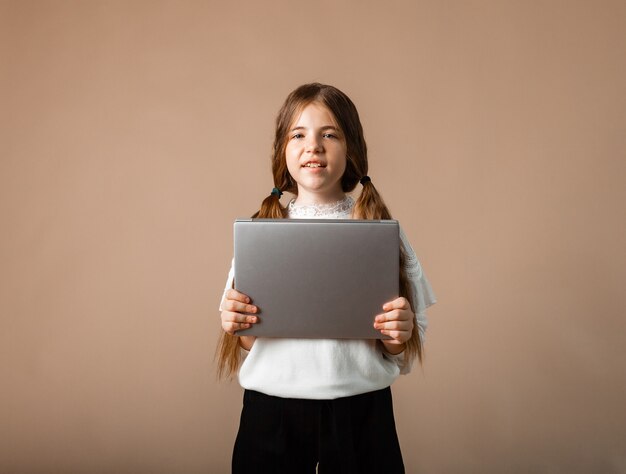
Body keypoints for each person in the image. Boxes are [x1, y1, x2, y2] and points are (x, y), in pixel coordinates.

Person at [217, 83, 436, 473]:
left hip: (361, 412)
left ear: (351, 149)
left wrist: (398, 334)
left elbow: (401, 344)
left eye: (329, 134)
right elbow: (249, 339)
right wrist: (236, 321)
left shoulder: (378, 230)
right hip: (272, 412)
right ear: (283, 153)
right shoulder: (263, 231)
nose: (313, 146)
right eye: (298, 135)